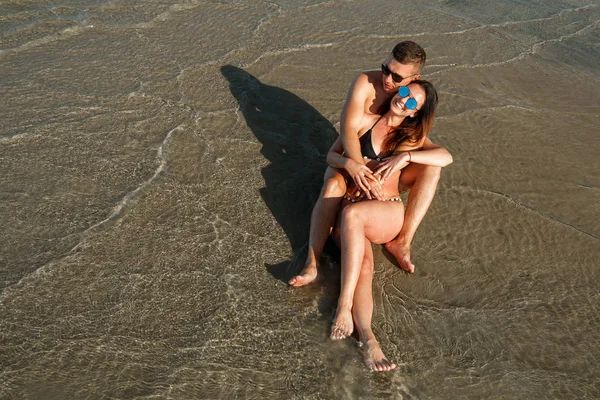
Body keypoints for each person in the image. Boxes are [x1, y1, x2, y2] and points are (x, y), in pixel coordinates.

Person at [289, 41, 436, 287]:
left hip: (383, 170)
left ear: (414, 79)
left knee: (432, 166)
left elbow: (429, 146)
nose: (387, 79)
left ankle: (403, 241)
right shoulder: (366, 83)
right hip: (351, 160)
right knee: (333, 185)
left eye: (397, 77)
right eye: (385, 69)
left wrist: (406, 157)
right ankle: (313, 264)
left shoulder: (409, 101)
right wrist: (358, 170)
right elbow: (347, 129)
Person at [327, 80, 452, 371]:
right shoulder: (365, 120)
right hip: (350, 206)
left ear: (413, 113)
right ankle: (369, 340)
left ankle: (343, 308)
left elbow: (446, 157)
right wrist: (351, 165)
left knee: (353, 217)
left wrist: (405, 157)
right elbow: (332, 154)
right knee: (365, 267)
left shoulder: (411, 137)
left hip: (386, 211)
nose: (404, 100)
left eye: (413, 103)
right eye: (406, 93)